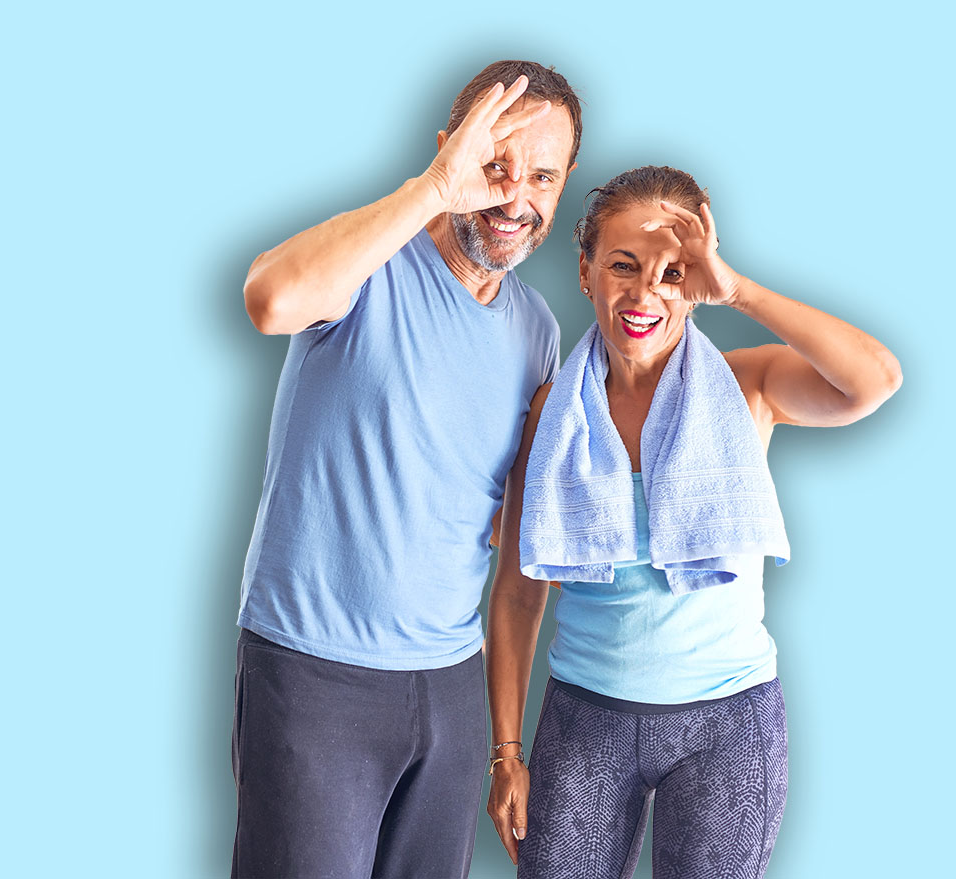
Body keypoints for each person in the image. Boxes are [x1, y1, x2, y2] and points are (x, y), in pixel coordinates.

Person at [485, 166, 902, 878]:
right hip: (586, 717)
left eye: (673, 272)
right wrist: (506, 752)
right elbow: (521, 591)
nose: (645, 292)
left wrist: (738, 289)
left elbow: (874, 379)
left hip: (728, 723)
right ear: (585, 272)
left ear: (698, 282)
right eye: (623, 264)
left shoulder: (747, 389)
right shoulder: (553, 411)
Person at [231, 61, 582, 879]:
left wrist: (503, 741)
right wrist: (433, 188)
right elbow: (270, 299)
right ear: (450, 151)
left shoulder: (536, 331)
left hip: (449, 688)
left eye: (540, 176)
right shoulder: (371, 262)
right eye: (493, 164)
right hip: (318, 673)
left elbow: (515, 544)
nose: (513, 197)